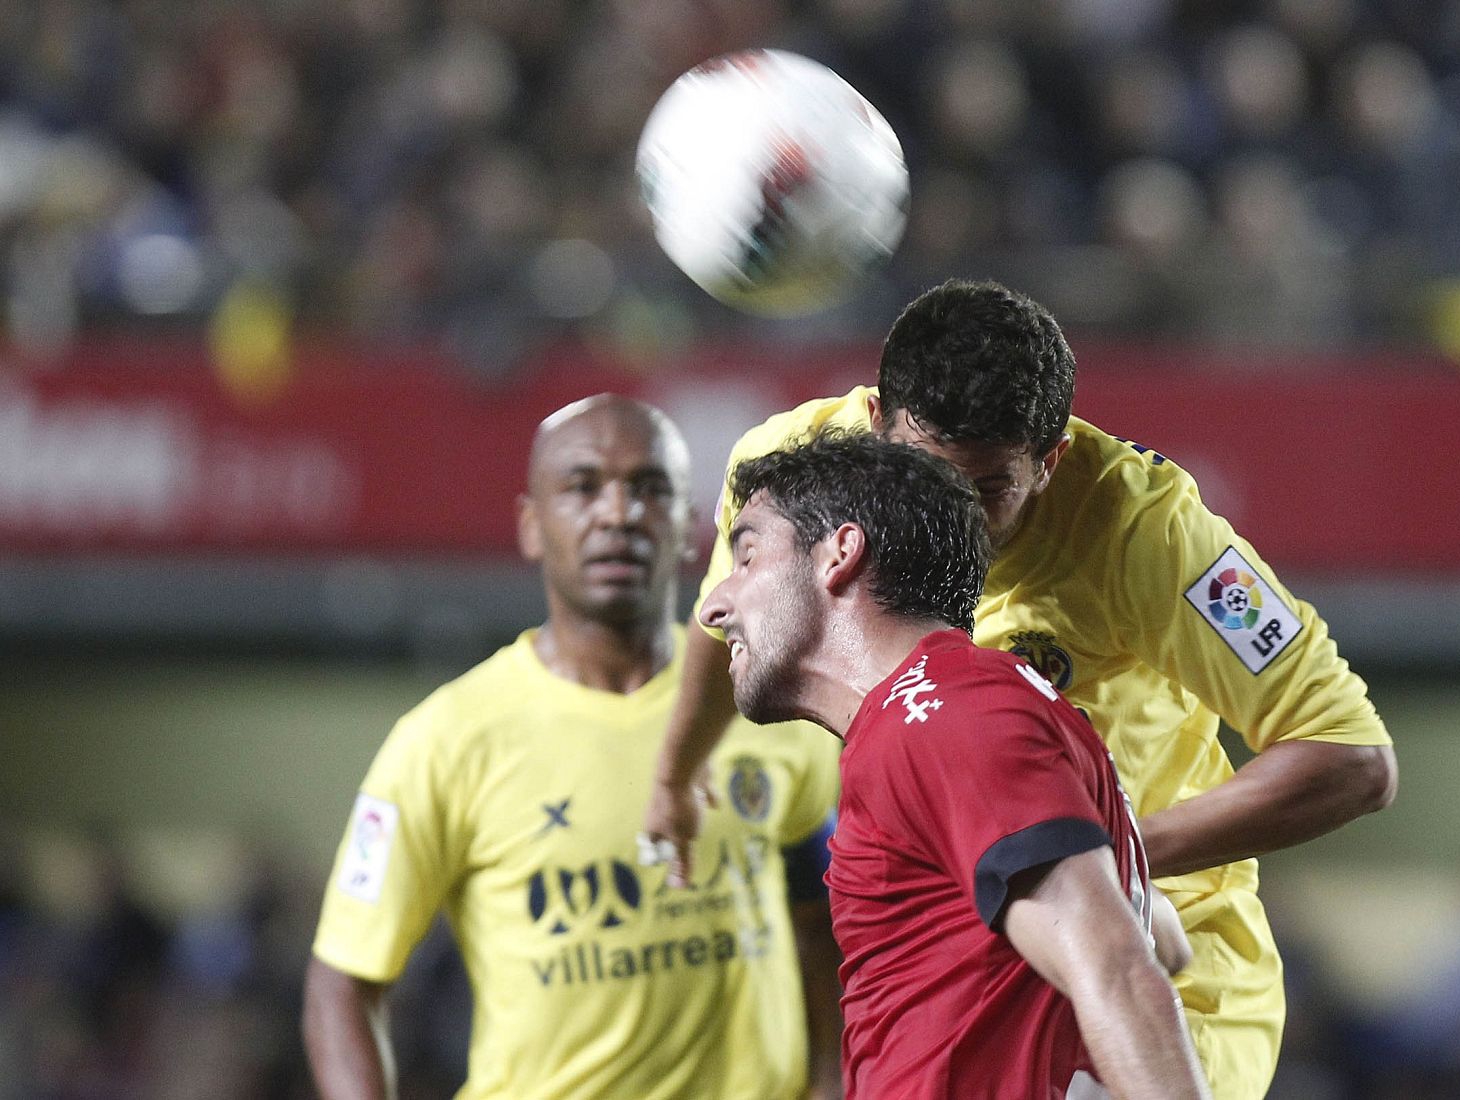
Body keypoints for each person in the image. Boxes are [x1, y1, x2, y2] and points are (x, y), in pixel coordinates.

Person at [646, 279, 1398, 1100]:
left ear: (1051, 461)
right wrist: (675, 772)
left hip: (1154, 974)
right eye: (924, 471)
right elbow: (734, 618)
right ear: (874, 429)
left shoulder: (1148, 536)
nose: (953, 513)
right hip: (963, 931)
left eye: (988, 489)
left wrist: (1100, 858)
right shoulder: (802, 478)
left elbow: (1351, 759)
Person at [304, 395, 844, 1100]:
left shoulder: (765, 702)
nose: (617, 514)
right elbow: (341, 985)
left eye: (648, 489)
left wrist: (832, 1084)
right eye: (583, 487)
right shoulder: (443, 740)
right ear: (532, 527)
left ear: (688, 526)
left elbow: (820, 927)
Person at [699, 430, 1211, 1099]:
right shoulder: (954, 710)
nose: (715, 606)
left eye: (746, 556)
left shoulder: (940, 716)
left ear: (838, 554)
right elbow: (1157, 942)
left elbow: (1117, 970)